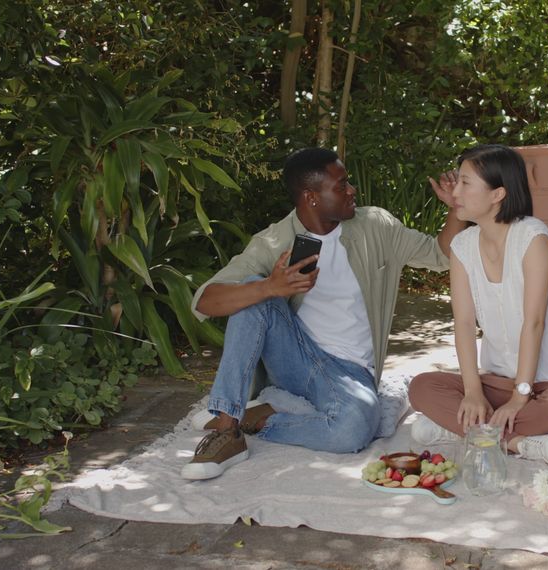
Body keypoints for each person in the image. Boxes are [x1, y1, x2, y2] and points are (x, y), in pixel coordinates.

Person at [183, 147, 466, 480]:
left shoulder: (375, 226)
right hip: (294, 360)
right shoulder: (275, 242)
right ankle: (228, 432)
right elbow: (204, 302)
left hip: (351, 372)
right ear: (311, 197)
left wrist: (457, 208)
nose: (352, 191)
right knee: (252, 289)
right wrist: (270, 287)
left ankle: (261, 417)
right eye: (342, 185)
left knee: (354, 429)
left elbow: (441, 254)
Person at [407, 144, 548, 469]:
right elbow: (464, 323)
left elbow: (534, 322)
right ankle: (522, 443)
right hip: (500, 380)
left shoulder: (533, 239)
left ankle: (461, 433)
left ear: (498, 193)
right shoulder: (463, 246)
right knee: (422, 388)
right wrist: (472, 392)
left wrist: (519, 397)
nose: (455, 191)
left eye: (465, 183)